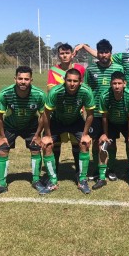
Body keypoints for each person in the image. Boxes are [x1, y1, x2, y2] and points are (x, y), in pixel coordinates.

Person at [0, 66, 47, 197]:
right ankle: (1, 185)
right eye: (20, 78)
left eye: (26, 79)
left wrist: (37, 135)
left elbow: (43, 116)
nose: (23, 82)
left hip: (31, 125)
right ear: (15, 79)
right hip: (10, 125)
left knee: (36, 149)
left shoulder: (39, 94)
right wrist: (2, 136)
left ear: (31, 80)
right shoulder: (5, 93)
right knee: (2, 150)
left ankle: (36, 181)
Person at [41, 68, 95, 194]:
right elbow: (46, 114)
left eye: (75, 81)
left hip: (76, 121)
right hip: (57, 121)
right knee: (47, 145)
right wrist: (48, 135)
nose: (72, 83)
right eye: (69, 80)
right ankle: (52, 180)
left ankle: (82, 180)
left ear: (80, 81)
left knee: (84, 143)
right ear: (64, 80)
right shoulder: (56, 91)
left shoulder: (86, 91)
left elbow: (90, 114)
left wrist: (85, 134)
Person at [84, 39, 124, 180]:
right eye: (101, 52)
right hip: (95, 111)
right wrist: (85, 109)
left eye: (106, 52)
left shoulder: (118, 68)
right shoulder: (91, 69)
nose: (103, 55)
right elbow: (86, 90)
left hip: (112, 112)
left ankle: (111, 168)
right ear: (98, 53)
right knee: (95, 142)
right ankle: (96, 168)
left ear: (110, 53)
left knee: (111, 142)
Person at [47, 43, 86, 175]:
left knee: (77, 143)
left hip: (76, 112)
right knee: (56, 142)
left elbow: (83, 89)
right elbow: (51, 90)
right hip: (59, 113)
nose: (64, 55)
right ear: (58, 55)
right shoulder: (53, 70)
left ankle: (79, 171)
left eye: (67, 53)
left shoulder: (80, 69)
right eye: (61, 53)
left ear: (72, 54)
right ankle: (55, 171)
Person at [97, 71, 129, 190]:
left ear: (124, 84)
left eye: (119, 83)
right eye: (114, 83)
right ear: (110, 84)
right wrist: (105, 134)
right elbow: (104, 117)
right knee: (104, 145)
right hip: (111, 123)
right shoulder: (105, 96)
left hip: (127, 123)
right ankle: (102, 177)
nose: (117, 86)